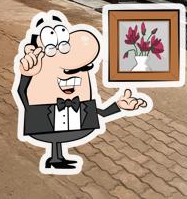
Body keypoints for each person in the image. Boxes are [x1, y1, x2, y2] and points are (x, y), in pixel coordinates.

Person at [14, 11, 148, 174]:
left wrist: (118, 106)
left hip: (72, 120)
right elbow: (22, 91)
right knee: (54, 134)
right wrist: (27, 82)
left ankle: (57, 158)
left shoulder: (80, 95)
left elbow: (98, 113)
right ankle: (56, 158)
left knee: (60, 134)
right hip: (44, 120)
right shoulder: (38, 73)